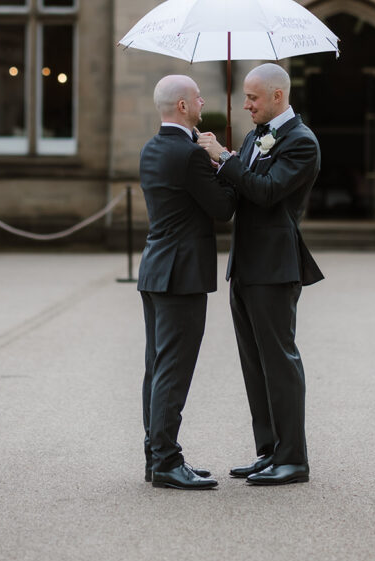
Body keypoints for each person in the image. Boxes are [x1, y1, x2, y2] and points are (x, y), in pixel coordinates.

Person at [197, 63, 323, 487]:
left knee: (279, 363)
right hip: (245, 264)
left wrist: (226, 160)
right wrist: (217, 167)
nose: (245, 104)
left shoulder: (302, 142)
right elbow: (242, 190)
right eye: (245, 96)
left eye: (252, 97)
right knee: (255, 365)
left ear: (277, 97)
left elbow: (268, 193)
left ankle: (293, 459)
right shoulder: (254, 136)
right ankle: (269, 452)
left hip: (274, 265)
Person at [138, 74, 236, 490]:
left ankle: (155, 455)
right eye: (197, 98)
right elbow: (223, 208)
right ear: (183, 106)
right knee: (174, 370)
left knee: (157, 367)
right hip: (182, 275)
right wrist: (227, 164)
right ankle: (166, 461)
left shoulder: (152, 148)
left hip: (155, 267)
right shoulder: (191, 154)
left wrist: (208, 164)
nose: (203, 103)